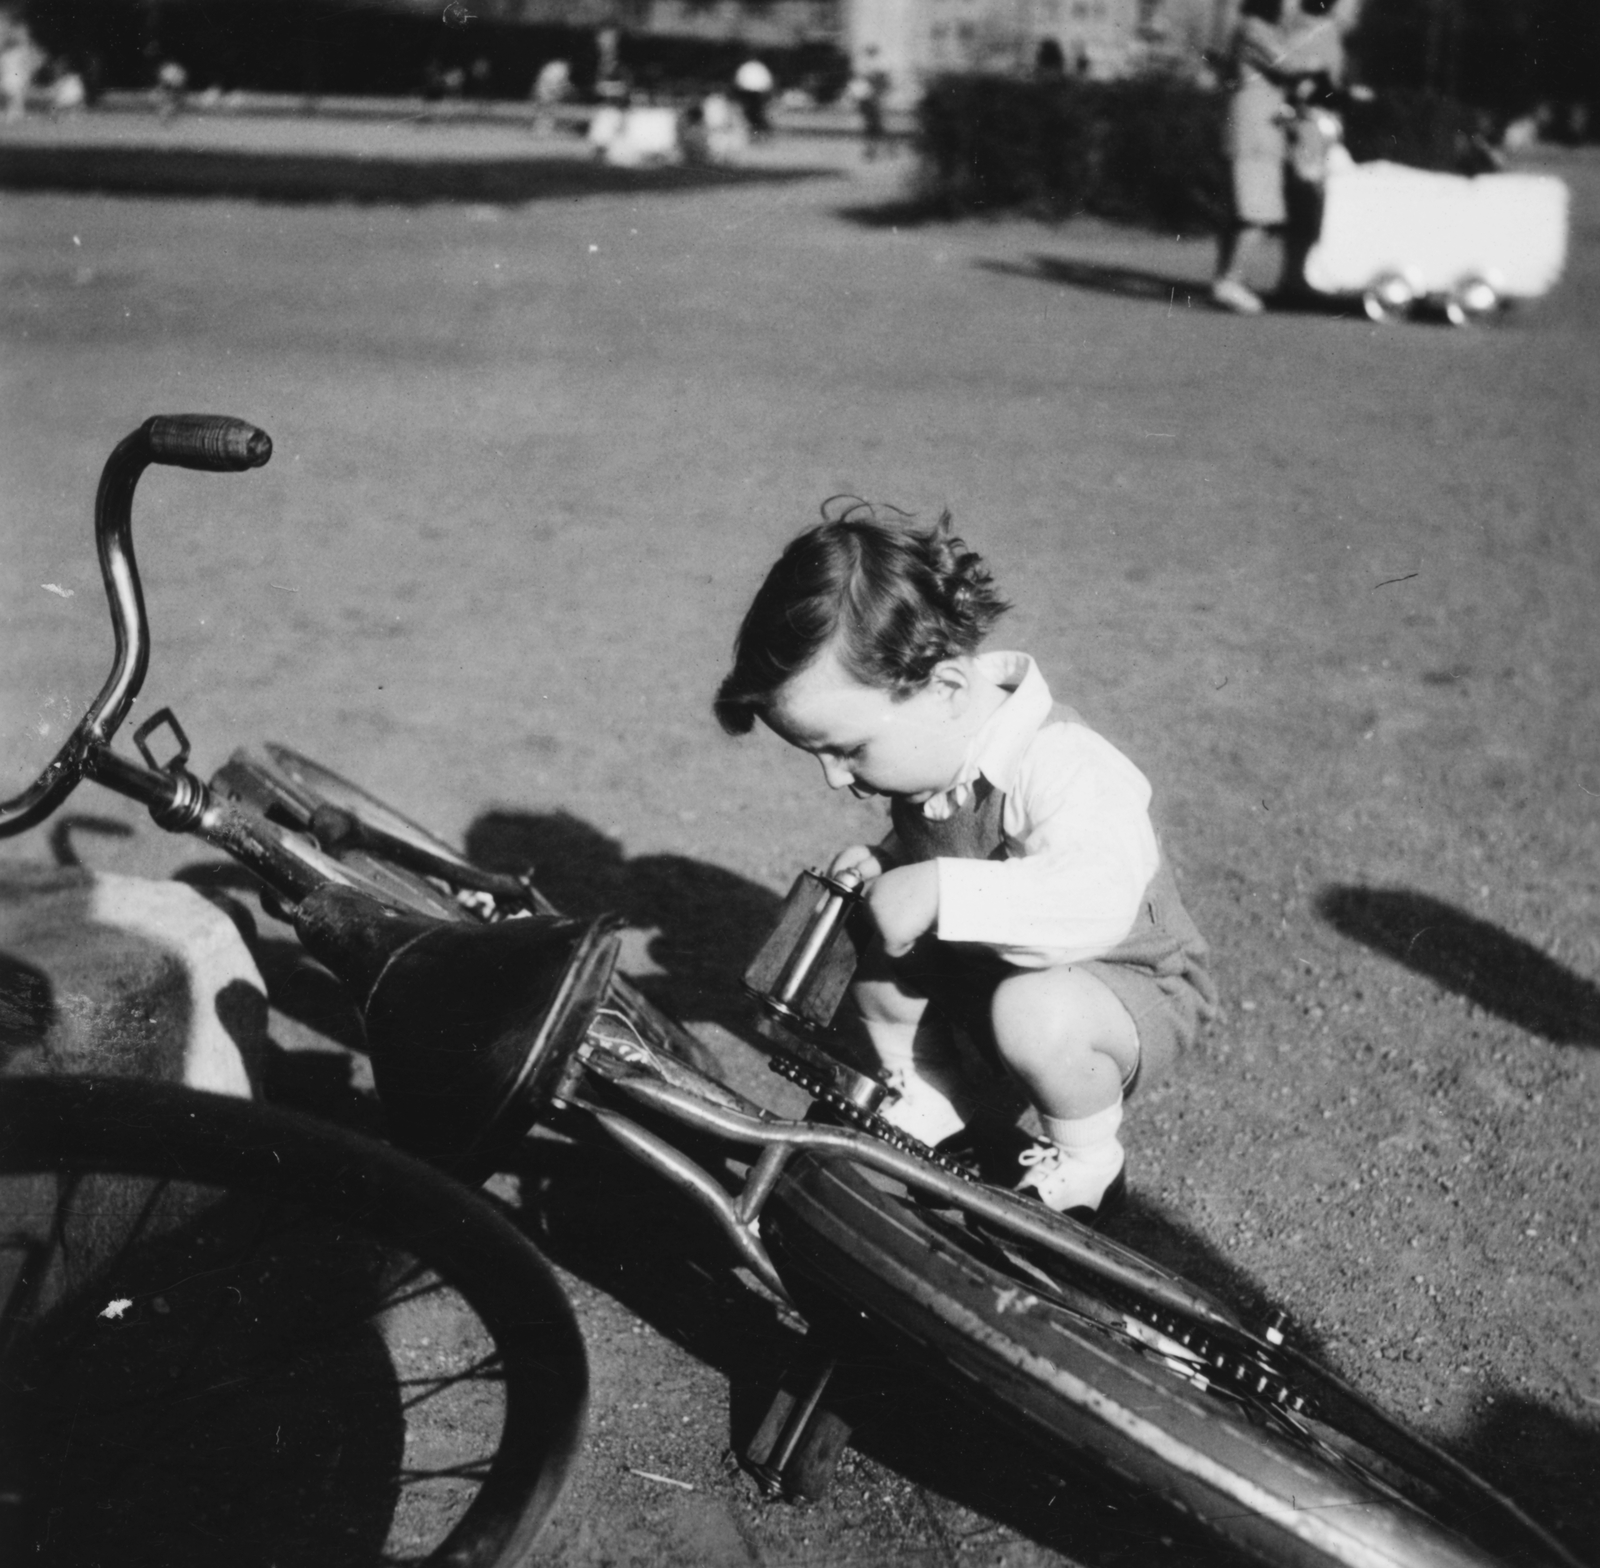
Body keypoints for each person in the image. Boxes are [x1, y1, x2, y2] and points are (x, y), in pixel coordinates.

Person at [714, 507, 1215, 1219]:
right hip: (1001, 970)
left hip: (1123, 988)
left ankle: (1088, 1163)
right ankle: (931, 1096)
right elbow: (942, 845)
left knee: (1035, 1012)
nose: (834, 778)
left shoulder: (1059, 761)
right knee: (865, 931)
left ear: (946, 688)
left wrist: (941, 889)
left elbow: (1096, 901)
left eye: (847, 749)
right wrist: (887, 865)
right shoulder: (931, 757)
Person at [1211, 0, 1358, 314]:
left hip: (1257, 130)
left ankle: (1226, 280)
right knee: (1258, 212)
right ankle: (1230, 282)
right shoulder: (1255, 29)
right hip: (1256, 133)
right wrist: (1323, 74)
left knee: (1246, 211)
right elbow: (1289, 64)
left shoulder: (1255, 29)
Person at [845, 46, 891, 160]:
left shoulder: (876, 67)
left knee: (874, 126)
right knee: (873, 126)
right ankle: (879, 149)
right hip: (867, 100)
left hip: (872, 100)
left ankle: (874, 150)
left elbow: (883, 84)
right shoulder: (868, 66)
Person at [733, 54, 774, 139]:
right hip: (754, 93)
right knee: (756, 112)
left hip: (751, 93)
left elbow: (739, 81)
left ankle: (759, 130)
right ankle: (758, 131)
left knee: (754, 112)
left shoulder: (747, 67)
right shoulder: (757, 67)